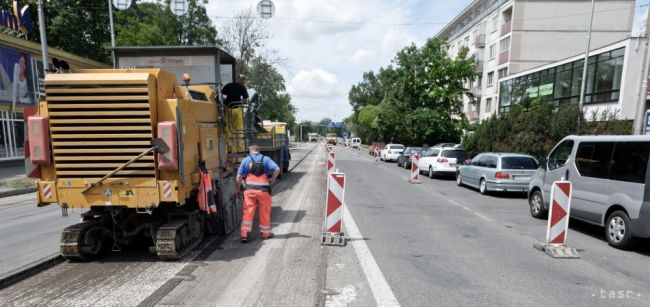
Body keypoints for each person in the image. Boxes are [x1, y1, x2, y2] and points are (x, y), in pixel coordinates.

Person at [236, 145, 280, 243]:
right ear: (259, 151)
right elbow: (277, 169)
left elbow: (239, 176)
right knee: (264, 212)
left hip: (249, 191)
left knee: (248, 212)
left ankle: (244, 235)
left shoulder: (246, 160)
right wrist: (272, 179)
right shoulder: (266, 159)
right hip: (264, 191)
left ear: (250, 151)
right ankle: (266, 234)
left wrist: (238, 188)